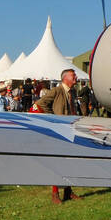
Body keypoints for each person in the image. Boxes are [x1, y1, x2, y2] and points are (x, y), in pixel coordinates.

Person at [37, 68, 82, 203]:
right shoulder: (56, 91)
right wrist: (54, 118)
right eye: (73, 75)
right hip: (59, 131)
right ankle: (55, 194)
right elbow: (41, 103)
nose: (76, 77)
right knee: (58, 161)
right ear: (65, 78)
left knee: (70, 161)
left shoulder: (73, 92)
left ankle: (68, 192)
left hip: (71, 130)